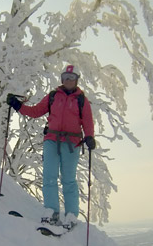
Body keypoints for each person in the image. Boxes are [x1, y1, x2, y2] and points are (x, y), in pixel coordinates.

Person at [7, 65, 95, 227]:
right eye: (66, 77)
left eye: (72, 77)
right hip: (52, 140)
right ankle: (52, 211)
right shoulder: (53, 96)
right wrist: (18, 106)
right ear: (62, 79)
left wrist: (89, 137)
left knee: (68, 179)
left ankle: (71, 215)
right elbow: (36, 111)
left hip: (71, 143)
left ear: (76, 80)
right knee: (49, 176)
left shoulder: (81, 99)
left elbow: (88, 121)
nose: (68, 80)